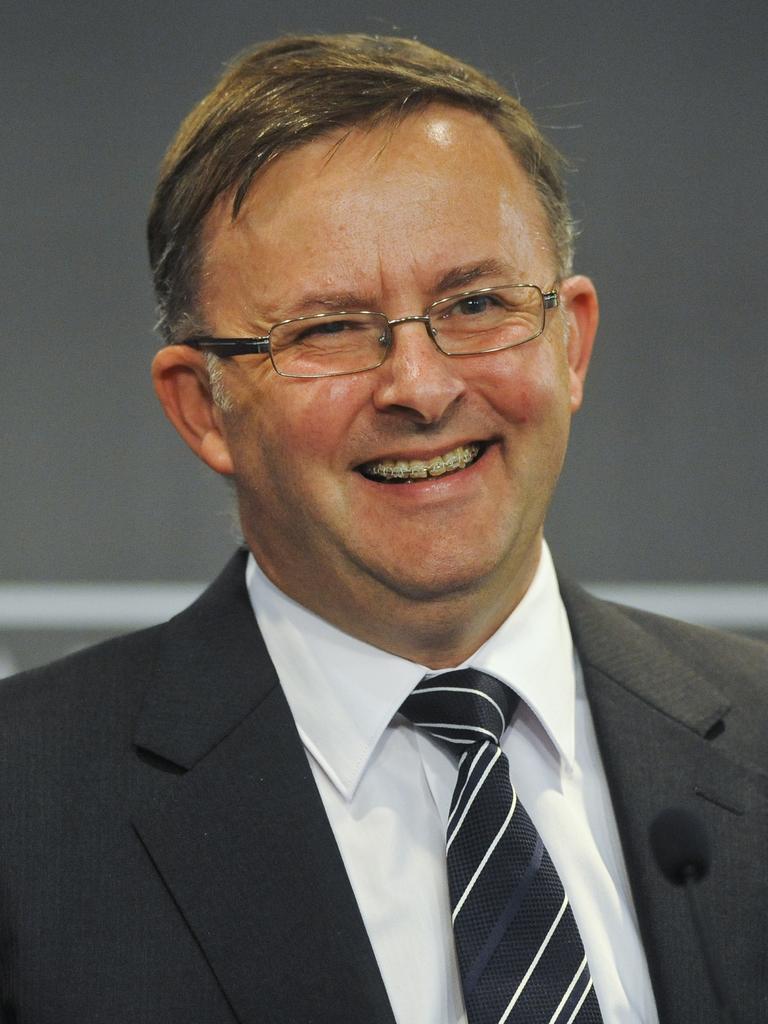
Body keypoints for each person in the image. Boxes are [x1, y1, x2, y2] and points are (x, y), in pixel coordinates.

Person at [1, 33, 765, 1024]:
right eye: (328, 329)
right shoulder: (28, 814)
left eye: (478, 303)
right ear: (201, 406)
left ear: (569, 342)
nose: (421, 386)